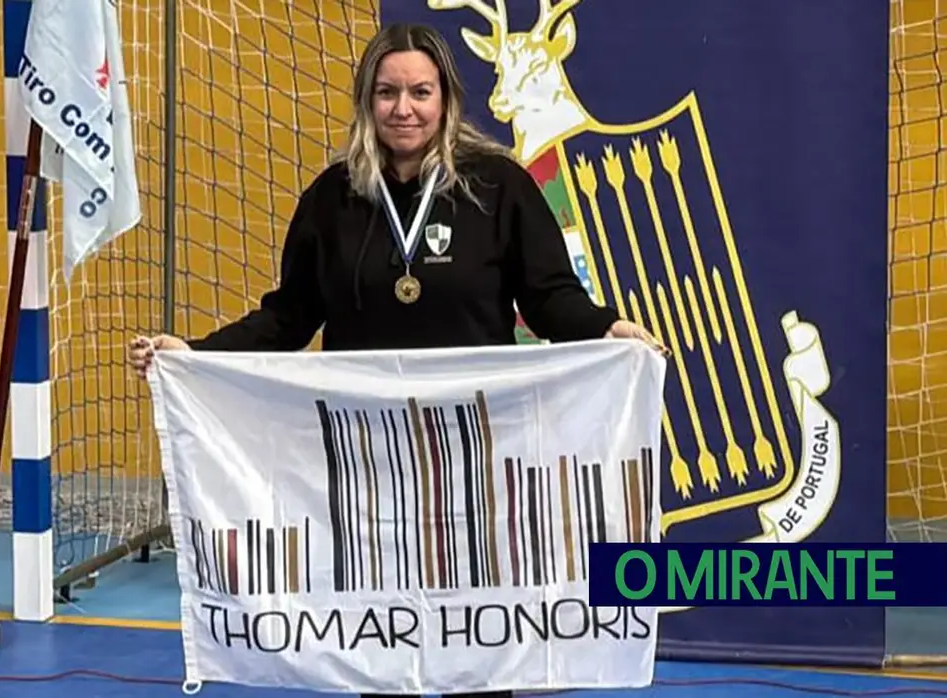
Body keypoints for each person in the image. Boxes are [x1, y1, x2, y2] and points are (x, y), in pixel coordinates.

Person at [130, 22, 665, 698]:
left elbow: (551, 298)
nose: (402, 109)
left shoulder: (496, 187)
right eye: (386, 93)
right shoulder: (333, 199)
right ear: (365, 100)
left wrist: (610, 329)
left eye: (419, 92)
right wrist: (197, 354)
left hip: (474, 448)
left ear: (446, 99)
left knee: (474, 628)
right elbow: (289, 316)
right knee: (382, 627)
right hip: (369, 454)